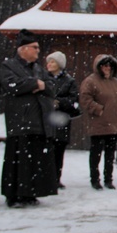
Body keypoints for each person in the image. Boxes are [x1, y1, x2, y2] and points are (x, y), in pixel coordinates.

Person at [0, 29, 59, 207]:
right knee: (18, 161)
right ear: (23, 49)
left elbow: (51, 87)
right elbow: (12, 85)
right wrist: (35, 84)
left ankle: (31, 192)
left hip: (39, 122)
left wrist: (38, 85)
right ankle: (15, 194)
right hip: (20, 121)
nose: (38, 51)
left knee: (34, 160)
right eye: (34, 47)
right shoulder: (9, 66)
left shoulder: (38, 69)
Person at [79, 54, 117, 190]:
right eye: (104, 65)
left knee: (110, 154)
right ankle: (95, 179)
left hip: (114, 124)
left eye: (109, 66)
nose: (107, 68)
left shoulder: (116, 82)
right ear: (99, 67)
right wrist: (99, 110)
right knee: (96, 154)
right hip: (98, 124)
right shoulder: (90, 81)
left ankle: (109, 179)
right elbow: (85, 99)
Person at [45, 51, 80, 189]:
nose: (49, 64)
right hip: (46, 120)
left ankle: (56, 178)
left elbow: (74, 101)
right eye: (48, 61)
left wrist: (58, 102)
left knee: (58, 151)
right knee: (45, 150)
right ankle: (45, 178)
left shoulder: (69, 81)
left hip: (61, 120)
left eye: (53, 61)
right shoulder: (43, 78)